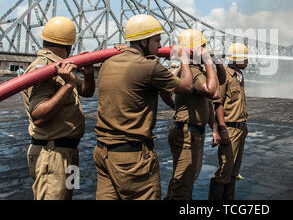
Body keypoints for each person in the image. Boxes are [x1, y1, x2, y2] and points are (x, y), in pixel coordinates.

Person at [93, 14, 193, 200]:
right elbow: (186, 86)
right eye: (156, 40)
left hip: (103, 153)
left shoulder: (108, 63)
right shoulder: (149, 68)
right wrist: (184, 60)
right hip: (132, 159)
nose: (159, 45)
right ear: (145, 41)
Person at [22, 16, 95, 200]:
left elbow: (86, 92)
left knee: (68, 196)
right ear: (70, 45)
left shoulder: (61, 66)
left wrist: (88, 75)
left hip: (69, 153)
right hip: (53, 156)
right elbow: (38, 115)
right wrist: (68, 85)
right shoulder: (45, 68)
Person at [165, 29, 225, 200]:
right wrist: (208, 61)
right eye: (204, 46)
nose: (207, 48)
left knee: (184, 180)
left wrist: (217, 63)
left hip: (189, 131)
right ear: (197, 48)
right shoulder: (193, 70)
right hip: (187, 134)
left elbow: (219, 82)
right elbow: (212, 92)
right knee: (183, 183)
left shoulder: (194, 70)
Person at [209, 43, 249, 200]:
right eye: (245, 58)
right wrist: (222, 129)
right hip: (230, 129)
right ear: (237, 60)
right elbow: (217, 103)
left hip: (240, 128)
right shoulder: (224, 75)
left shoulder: (239, 76)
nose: (247, 61)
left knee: (234, 170)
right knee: (225, 169)